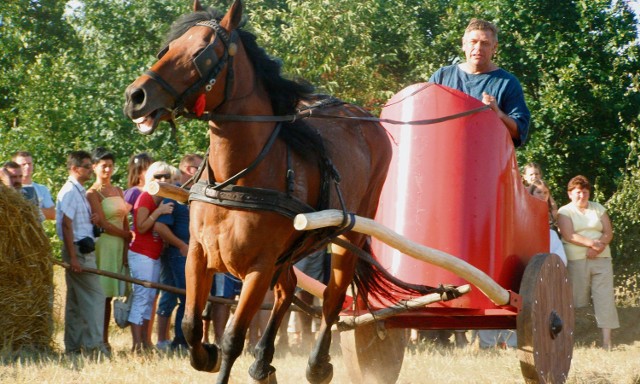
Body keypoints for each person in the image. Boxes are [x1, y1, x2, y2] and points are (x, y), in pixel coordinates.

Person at [429, 18, 530, 147]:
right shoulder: (441, 77)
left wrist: (497, 113)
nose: (478, 48)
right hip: (444, 157)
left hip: (486, 162)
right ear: (464, 44)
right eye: (473, 42)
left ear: (494, 47)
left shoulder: (508, 83)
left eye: (485, 43)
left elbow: (518, 133)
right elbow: (423, 120)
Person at [55, 150, 108, 356]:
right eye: (87, 166)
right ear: (75, 169)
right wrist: (74, 258)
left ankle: (73, 346)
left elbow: (74, 222)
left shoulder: (78, 191)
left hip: (81, 248)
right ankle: (94, 347)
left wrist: (91, 220)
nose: (90, 169)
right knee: (96, 296)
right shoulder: (69, 192)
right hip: (78, 251)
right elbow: (66, 225)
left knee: (76, 302)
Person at [557, 175, 619, 350]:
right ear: (570, 194)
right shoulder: (565, 211)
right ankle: (570, 340)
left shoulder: (598, 208)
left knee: (604, 298)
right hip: (577, 260)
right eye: (577, 192)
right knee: (576, 299)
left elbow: (608, 232)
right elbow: (569, 235)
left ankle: (607, 342)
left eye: (585, 192)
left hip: (602, 258)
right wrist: (592, 243)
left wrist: (597, 248)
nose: (581, 196)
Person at [154, 153, 203, 351]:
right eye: (200, 167)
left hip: (191, 254)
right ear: (190, 170)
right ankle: (180, 341)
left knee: (186, 297)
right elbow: (160, 226)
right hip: (178, 254)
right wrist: (182, 246)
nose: (203, 171)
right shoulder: (174, 195)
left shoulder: (196, 195)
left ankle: (182, 340)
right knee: (184, 296)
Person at [86, 147, 132, 351]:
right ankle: (100, 340)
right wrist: (126, 235)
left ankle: (105, 338)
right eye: (103, 166)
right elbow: (103, 223)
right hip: (105, 244)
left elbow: (125, 221)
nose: (107, 169)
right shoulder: (92, 193)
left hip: (119, 244)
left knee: (112, 293)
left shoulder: (119, 190)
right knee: (102, 294)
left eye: (110, 166)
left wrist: (126, 244)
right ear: (94, 167)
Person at [127, 161, 175, 352]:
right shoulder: (146, 197)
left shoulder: (160, 199)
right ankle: (137, 345)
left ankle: (145, 343)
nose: (163, 180)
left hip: (153, 255)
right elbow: (141, 227)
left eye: (166, 177)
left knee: (149, 299)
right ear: (149, 178)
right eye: (158, 177)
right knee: (141, 298)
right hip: (141, 254)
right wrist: (159, 212)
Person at [527, 179, 566, 265]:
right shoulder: (525, 210)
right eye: (539, 192)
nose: (543, 195)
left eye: (545, 192)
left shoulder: (549, 211)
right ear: (532, 193)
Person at [12, 150, 56, 220]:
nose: (27, 167)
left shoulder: (42, 189)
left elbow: (53, 214)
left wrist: (28, 210)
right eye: (23, 164)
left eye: (29, 164)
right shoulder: (9, 189)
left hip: (36, 229)